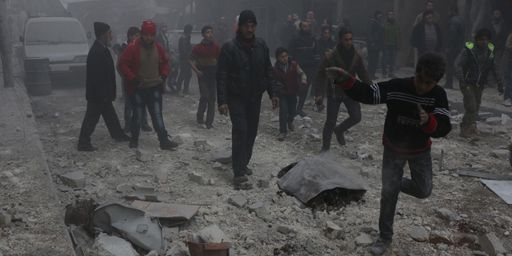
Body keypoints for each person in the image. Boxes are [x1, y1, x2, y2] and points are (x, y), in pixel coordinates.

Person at [328, 53, 451, 255]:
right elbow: (368, 93)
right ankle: (385, 237)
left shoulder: (438, 96)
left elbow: (444, 127)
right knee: (388, 195)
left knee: (424, 190)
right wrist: (345, 79)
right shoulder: (397, 86)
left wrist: (429, 121)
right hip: (393, 149)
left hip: (420, 151)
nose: (422, 86)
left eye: (428, 83)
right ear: (416, 72)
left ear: (436, 82)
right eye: (420, 80)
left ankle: (394, 183)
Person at [217, 10, 279, 190]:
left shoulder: (261, 46)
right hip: (236, 97)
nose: (250, 29)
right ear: (240, 27)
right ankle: (238, 174)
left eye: (252, 26)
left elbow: (268, 70)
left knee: (251, 132)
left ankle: (243, 163)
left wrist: (273, 93)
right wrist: (222, 100)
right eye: (246, 26)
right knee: (241, 131)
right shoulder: (229, 48)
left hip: (254, 97)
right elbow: (222, 75)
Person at [118, 20, 178, 150]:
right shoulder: (133, 47)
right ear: (142, 34)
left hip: (155, 87)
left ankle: (163, 140)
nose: (148, 37)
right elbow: (122, 64)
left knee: (157, 115)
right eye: (146, 34)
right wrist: (132, 78)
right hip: (138, 88)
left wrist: (163, 75)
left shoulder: (158, 47)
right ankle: (134, 140)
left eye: (151, 35)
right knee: (137, 116)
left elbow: (166, 63)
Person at [315, 29, 370, 151]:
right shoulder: (331, 56)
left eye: (350, 39)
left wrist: (371, 87)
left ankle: (340, 130)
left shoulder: (356, 55)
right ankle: (325, 148)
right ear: (340, 39)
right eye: (346, 39)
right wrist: (318, 93)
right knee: (330, 122)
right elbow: (321, 74)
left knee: (356, 116)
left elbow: (362, 73)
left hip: (350, 91)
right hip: (335, 92)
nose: (349, 42)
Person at [77, 22, 130, 151]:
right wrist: (103, 94)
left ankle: (118, 134)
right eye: (109, 33)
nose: (111, 36)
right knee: (91, 118)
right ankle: (83, 143)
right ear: (103, 35)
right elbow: (97, 77)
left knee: (110, 115)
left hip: (102, 93)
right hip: (98, 94)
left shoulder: (102, 49)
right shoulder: (96, 51)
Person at [456, 28, 503, 138]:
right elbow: (458, 65)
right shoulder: (469, 50)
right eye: (481, 39)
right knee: (471, 105)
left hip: (479, 84)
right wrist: (462, 80)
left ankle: (468, 127)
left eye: (486, 39)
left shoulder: (490, 51)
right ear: (476, 40)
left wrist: (499, 82)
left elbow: (494, 67)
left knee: (476, 107)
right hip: (467, 82)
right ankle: (467, 130)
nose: (484, 42)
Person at [116, 27, 152, 133]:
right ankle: (128, 125)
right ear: (130, 36)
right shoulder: (124, 48)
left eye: (139, 36)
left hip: (141, 79)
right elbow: (120, 65)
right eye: (136, 36)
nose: (138, 38)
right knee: (129, 104)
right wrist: (126, 77)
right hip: (129, 80)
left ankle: (144, 123)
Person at [190, 25, 221, 129]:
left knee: (212, 98)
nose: (210, 34)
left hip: (213, 75)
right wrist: (197, 71)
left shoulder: (216, 47)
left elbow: (220, 60)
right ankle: (199, 117)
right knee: (205, 96)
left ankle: (209, 122)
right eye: (207, 32)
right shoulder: (198, 48)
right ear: (203, 35)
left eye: (211, 32)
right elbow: (190, 60)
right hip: (203, 75)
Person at [274, 47, 307, 141]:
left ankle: (290, 121)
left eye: (286, 56)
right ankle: (282, 131)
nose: (285, 58)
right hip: (282, 93)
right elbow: (273, 81)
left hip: (293, 92)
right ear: (278, 58)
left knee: (293, 111)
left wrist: (303, 80)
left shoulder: (294, 65)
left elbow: (302, 73)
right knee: (283, 111)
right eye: (282, 57)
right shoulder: (275, 69)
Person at [288, 21, 317, 117]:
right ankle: (292, 107)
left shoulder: (313, 38)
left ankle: (299, 108)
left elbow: (315, 51)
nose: (306, 28)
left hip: (310, 66)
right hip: (299, 66)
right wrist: (292, 62)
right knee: (297, 87)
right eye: (304, 26)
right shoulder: (295, 38)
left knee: (305, 88)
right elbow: (290, 51)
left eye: (308, 26)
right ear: (300, 27)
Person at [445, 6, 465, 89]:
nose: (448, 13)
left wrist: (448, 47)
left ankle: (449, 83)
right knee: (458, 65)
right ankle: (463, 82)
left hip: (453, 47)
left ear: (453, 11)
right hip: (459, 46)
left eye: (449, 11)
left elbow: (452, 35)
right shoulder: (462, 20)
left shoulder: (453, 21)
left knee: (450, 65)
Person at [177, 24, 193, 95]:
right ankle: (179, 89)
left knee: (188, 74)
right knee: (183, 74)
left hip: (187, 58)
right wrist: (188, 56)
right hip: (184, 59)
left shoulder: (187, 37)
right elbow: (183, 50)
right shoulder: (183, 38)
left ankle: (185, 89)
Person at [367, 11, 384, 80]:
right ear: (376, 15)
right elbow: (370, 33)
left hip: (377, 45)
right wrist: (372, 42)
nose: (380, 16)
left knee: (375, 61)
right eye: (379, 15)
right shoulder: (373, 23)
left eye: (381, 15)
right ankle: (370, 75)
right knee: (372, 60)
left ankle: (372, 74)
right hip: (373, 45)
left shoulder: (378, 23)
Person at [383, 10, 400, 78]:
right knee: (385, 59)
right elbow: (382, 34)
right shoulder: (385, 24)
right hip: (386, 44)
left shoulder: (396, 24)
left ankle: (391, 73)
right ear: (387, 15)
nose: (391, 15)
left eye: (392, 14)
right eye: (389, 14)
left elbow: (398, 34)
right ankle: (384, 73)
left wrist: (398, 43)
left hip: (394, 44)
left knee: (392, 60)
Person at [503, 33, 512, 106]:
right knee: (509, 80)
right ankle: (507, 98)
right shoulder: (511, 35)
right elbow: (507, 46)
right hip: (510, 61)